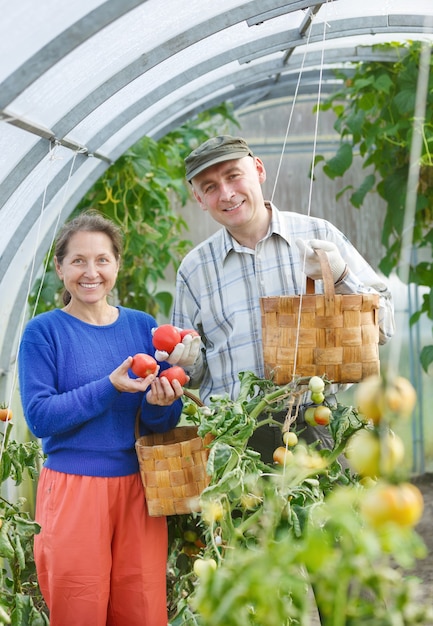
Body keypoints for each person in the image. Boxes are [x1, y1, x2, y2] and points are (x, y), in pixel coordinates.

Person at [155, 135, 395, 464]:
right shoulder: (194, 269)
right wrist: (185, 361)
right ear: (198, 198)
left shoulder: (317, 235)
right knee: (246, 519)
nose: (226, 194)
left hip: (316, 424)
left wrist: (341, 278)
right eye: (210, 187)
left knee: (327, 514)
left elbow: (384, 325)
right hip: (236, 442)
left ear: (258, 170)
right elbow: (193, 375)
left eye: (233, 176)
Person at [18, 211, 185, 626]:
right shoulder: (44, 332)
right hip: (74, 491)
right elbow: (40, 417)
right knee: (79, 608)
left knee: (142, 609)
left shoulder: (143, 327)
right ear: (59, 268)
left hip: (139, 489)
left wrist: (163, 403)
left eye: (102, 260)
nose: (90, 272)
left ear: (117, 265)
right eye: (78, 261)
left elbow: (156, 425)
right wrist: (110, 386)